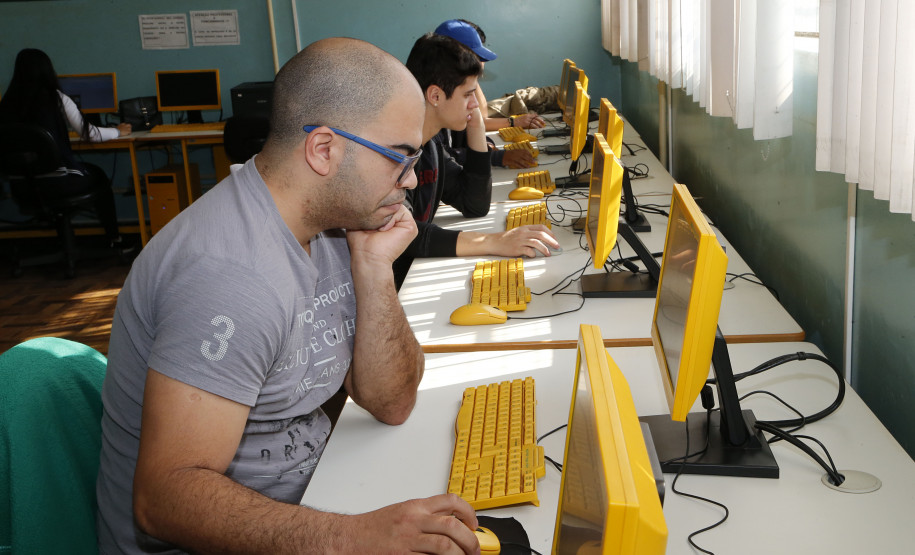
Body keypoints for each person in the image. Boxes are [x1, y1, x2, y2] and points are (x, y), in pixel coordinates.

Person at [96, 38, 479, 554]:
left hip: (316, 496)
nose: (411, 180)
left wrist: (373, 269)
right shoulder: (227, 277)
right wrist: (355, 537)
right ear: (324, 150)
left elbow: (392, 402)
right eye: (401, 158)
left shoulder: (336, 227)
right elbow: (163, 500)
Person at [394, 33, 559, 288]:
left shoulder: (431, 145)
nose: (475, 104)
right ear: (435, 96)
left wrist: (476, 128)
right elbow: (403, 235)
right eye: (468, 95)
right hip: (395, 290)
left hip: (414, 276)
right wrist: (493, 241)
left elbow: (474, 203)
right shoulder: (395, 154)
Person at [0, 48, 132, 249]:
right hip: (59, 181)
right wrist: (117, 131)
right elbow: (91, 134)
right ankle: (114, 239)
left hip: (22, 186)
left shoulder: (6, 103)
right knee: (100, 176)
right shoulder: (56, 98)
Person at [435, 19, 545, 170]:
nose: (481, 64)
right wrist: (495, 157)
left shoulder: (451, 94)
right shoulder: (431, 105)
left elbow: (471, 127)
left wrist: (487, 145)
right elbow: (441, 158)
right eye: (476, 57)